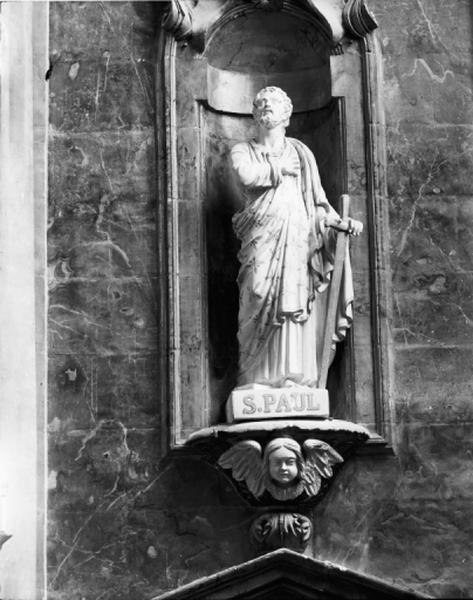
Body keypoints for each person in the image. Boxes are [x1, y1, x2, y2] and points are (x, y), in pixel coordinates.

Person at [230, 86, 362, 389]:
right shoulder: (244, 149)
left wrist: (338, 225)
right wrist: (277, 169)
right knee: (259, 293)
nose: (266, 107)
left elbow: (317, 206)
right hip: (260, 237)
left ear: (287, 113)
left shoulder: (301, 153)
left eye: (273, 103)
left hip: (297, 237)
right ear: (253, 113)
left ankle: (293, 376)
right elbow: (246, 175)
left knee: (294, 303)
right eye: (260, 103)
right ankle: (255, 377)